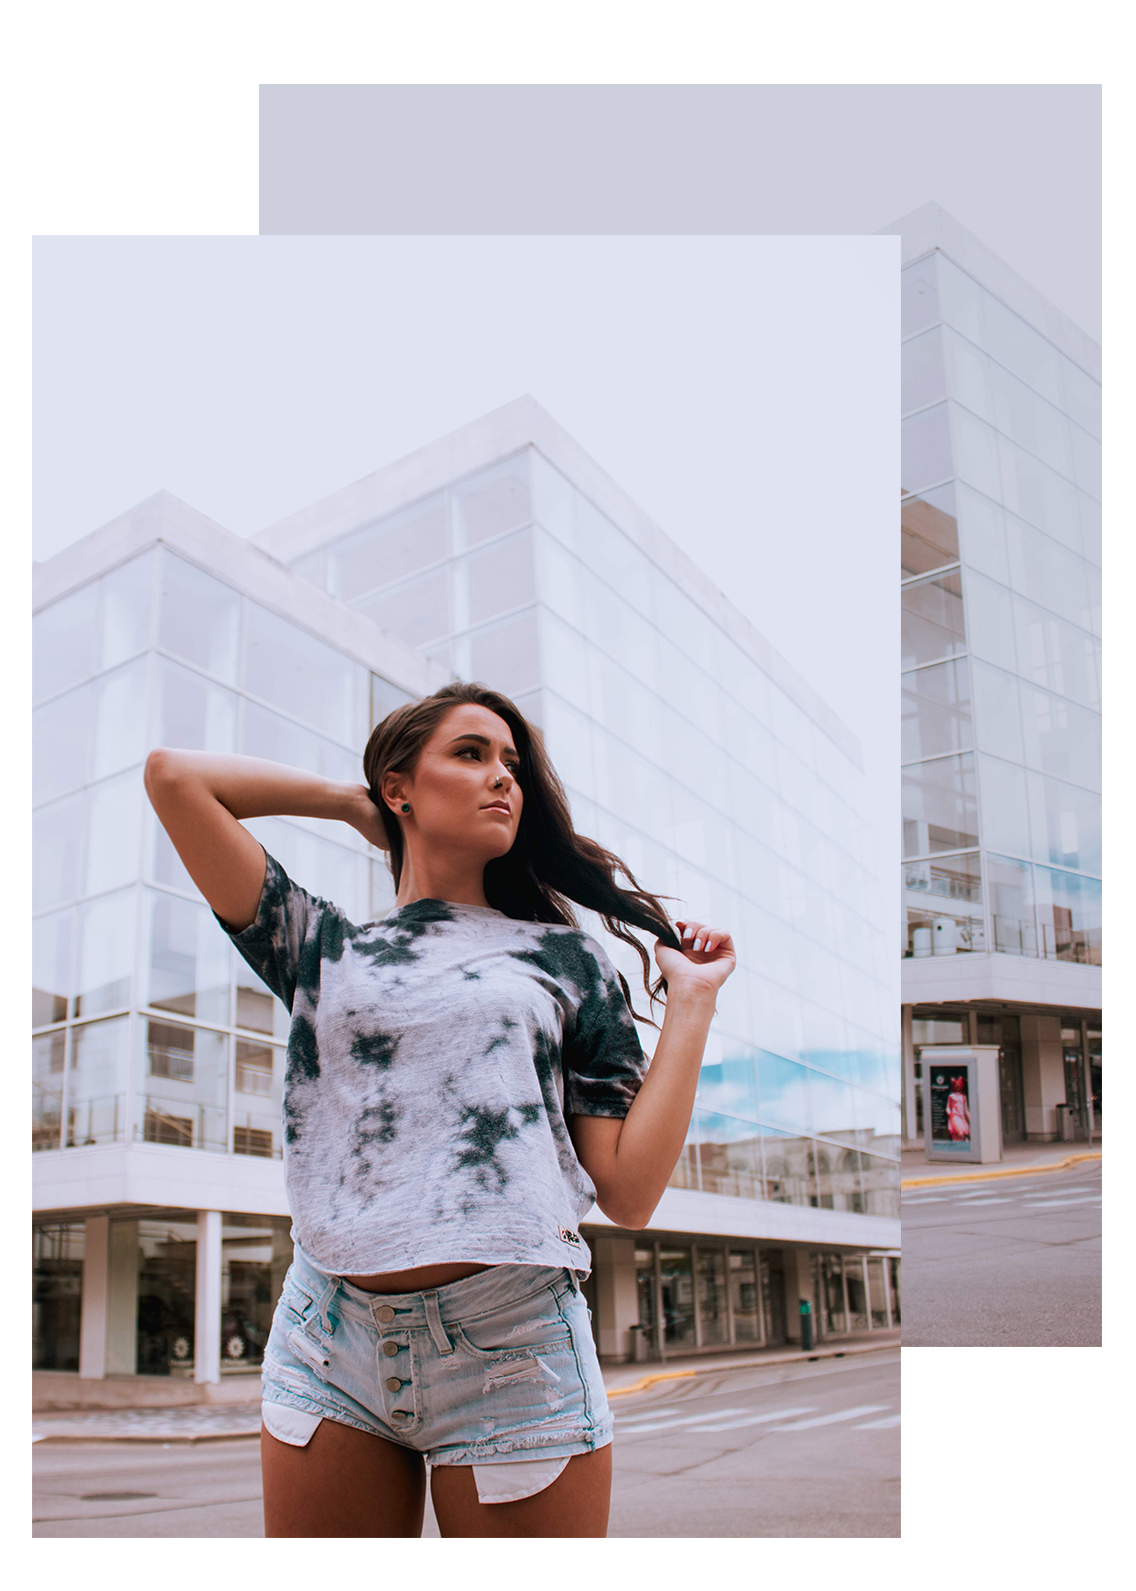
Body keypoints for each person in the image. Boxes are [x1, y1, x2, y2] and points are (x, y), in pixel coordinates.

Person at [144, 680, 735, 1537]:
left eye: (511, 763)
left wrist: (692, 1003)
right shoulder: (320, 947)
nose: (504, 776)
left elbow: (629, 1191)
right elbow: (174, 778)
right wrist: (354, 804)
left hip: (513, 1345)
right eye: (471, 753)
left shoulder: (568, 960)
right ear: (400, 785)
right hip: (329, 1338)